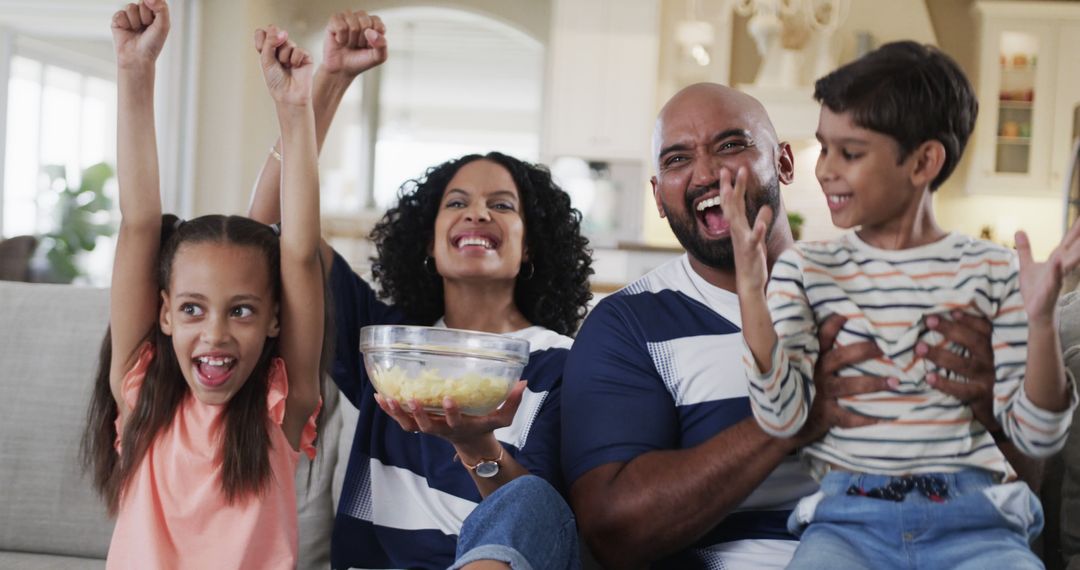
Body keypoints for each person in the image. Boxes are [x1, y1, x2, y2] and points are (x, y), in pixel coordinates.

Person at [560, 79, 1038, 569]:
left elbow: (1013, 484)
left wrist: (993, 415)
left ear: (784, 163)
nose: (707, 173)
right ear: (659, 197)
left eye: (730, 145)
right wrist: (791, 421)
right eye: (677, 159)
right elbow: (613, 529)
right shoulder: (629, 326)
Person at [247, 11, 592, 569]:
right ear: (428, 244)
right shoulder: (385, 348)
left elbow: (545, 528)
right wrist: (327, 86)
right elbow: (265, 238)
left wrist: (476, 446)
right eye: (455, 203)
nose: (476, 211)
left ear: (530, 248)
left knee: (532, 500)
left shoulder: (560, 364)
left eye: (501, 205)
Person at [724, 40, 1079, 569]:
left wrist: (1043, 319)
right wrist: (752, 291)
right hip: (848, 525)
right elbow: (782, 416)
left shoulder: (994, 271)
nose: (825, 170)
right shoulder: (806, 272)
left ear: (923, 163)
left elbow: (1038, 432)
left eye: (851, 152)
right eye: (824, 147)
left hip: (977, 525)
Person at [82, 2, 325, 569]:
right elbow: (140, 220)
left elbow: (300, 250)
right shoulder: (139, 392)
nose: (214, 334)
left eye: (241, 311)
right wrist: (135, 72)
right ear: (164, 314)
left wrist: (295, 109)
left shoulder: (282, 408)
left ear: (274, 320)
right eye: (193, 309)